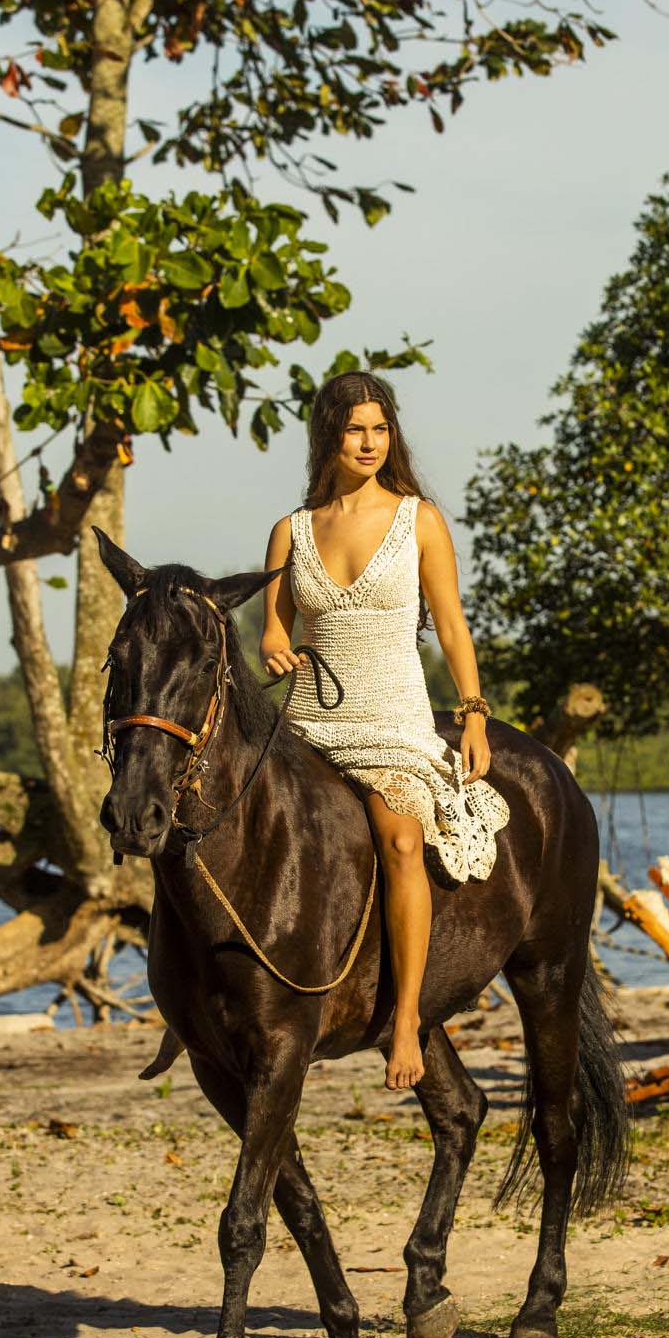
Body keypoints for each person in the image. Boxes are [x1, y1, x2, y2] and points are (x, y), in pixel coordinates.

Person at [260, 371, 511, 1089]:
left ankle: (406, 1020)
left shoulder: (418, 519)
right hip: (308, 720)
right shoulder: (292, 529)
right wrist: (274, 646)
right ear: (328, 437)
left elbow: (453, 624)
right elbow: (272, 628)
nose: (369, 442)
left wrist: (473, 711)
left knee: (401, 837)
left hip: (394, 718)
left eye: (379, 429)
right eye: (354, 429)